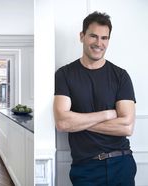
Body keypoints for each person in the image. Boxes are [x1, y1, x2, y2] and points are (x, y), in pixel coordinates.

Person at [53, 11, 136, 186]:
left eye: (104, 38)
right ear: (82, 36)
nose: (99, 43)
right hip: (86, 168)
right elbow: (62, 123)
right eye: (93, 36)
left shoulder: (120, 76)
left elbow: (127, 126)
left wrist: (79, 122)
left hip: (121, 163)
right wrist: (107, 114)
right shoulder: (65, 74)